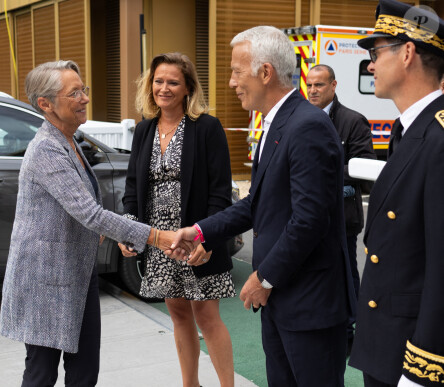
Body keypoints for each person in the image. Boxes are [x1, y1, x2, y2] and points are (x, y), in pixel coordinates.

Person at [169, 26, 356, 386]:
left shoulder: (307, 126)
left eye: (237, 71)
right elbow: (259, 203)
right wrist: (201, 230)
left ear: (265, 72)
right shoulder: (277, 123)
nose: (231, 82)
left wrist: (264, 277)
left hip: (309, 303)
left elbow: (309, 219)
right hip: (282, 299)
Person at [0, 60, 188, 387]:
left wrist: (107, 233)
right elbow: (90, 214)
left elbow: (85, 215)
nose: (85, 98)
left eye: (84, 89)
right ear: (45, 104)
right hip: (46, 280)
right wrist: (158, 237)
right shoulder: (46, 147)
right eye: (74, 93)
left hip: (77, 273)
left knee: (85, 371)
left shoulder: (70, 139)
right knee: (41, 373)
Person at [121, 52, 235, 387]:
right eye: (158, 81)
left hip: (197, 236)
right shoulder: (143, 130)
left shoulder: (207, 128)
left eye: (173, 82)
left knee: (207, 315)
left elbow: (220, 192)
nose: (164, 88)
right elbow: (133, 188)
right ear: (150, 84)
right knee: (178, 312)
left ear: (187, 88)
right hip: (160, 239)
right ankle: (191, 384)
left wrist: (209, 238)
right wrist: (130, 228)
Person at [348, 1, 444, 386]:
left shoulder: (438, 139)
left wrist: (425, 366)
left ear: (407, 53)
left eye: (375, 52)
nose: (370, 65)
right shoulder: (408, 130)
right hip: (386, 339)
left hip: (414, 354)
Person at [306, 64, 376, 354]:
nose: (312, 91)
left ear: (333, 86)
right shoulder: (302, 117)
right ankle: (325, 327)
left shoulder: (352, 121)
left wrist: (325, 173)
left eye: (319, 85)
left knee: (346, 276)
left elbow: (365, 168)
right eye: (309, 85)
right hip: (309, 218)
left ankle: (351, 333)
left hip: (343, 218)